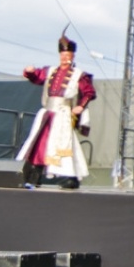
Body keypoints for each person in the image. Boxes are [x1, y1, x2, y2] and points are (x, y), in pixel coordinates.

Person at [17, 29, 97, 189]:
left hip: (63, 113)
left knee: (64, 144)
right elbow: (36, 78)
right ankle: (34, 174)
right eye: (63, 55)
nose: (65, 58)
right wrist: (29, 72)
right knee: (40, 142)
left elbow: (89, 92)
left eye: (68, 55)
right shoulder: (50, 71)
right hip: (47, 112)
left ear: (72, 56)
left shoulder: (79, 75)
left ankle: (70, 176)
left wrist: (80, 106)